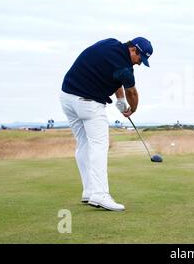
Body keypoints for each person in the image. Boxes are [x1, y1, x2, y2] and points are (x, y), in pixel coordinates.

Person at [60, 37, 154, 211]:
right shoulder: (125, 68)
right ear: (134, 50)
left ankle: (89, 191)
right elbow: (132, 92)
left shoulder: (110, 43)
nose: (140, 64)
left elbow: (112, 74)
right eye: (141, 59)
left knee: (84, 144)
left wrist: (119, 100)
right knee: (99, 146)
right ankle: (100, 195)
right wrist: (131, 109)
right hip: (88, 102)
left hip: (66, 97)